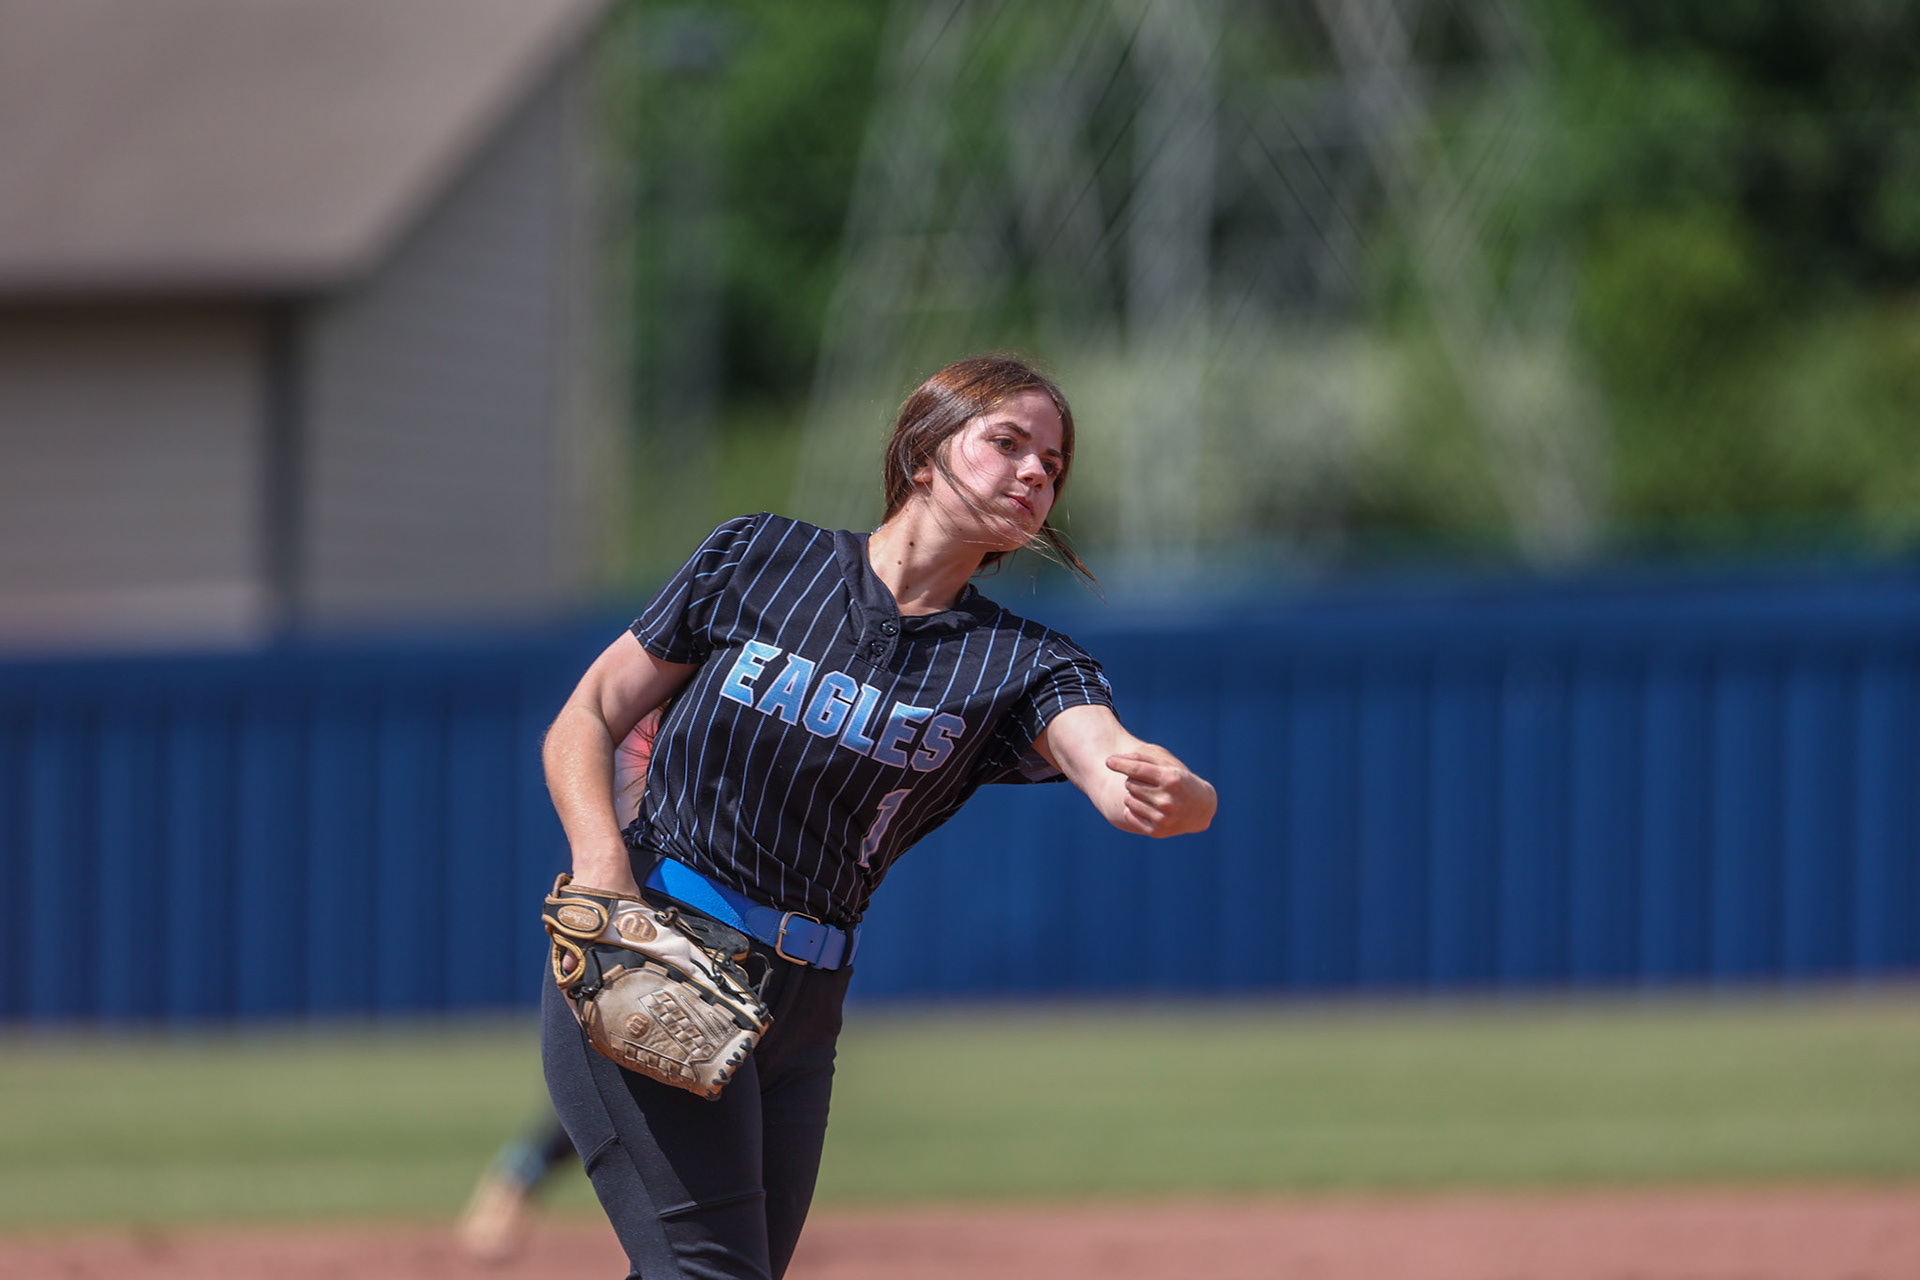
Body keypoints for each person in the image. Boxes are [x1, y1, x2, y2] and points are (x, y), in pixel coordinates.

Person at [539, 353, 1217, 1280]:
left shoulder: (1020, 664)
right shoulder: (761, 558)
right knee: (709, 1274)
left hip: (807, 1008)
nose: (1034, 473)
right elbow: (588, 714)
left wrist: (1171, 792)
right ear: (924, 452)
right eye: (1008, 443)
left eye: (1053, 466)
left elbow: (1104, 755)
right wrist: (602, 869)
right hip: (667, 943)